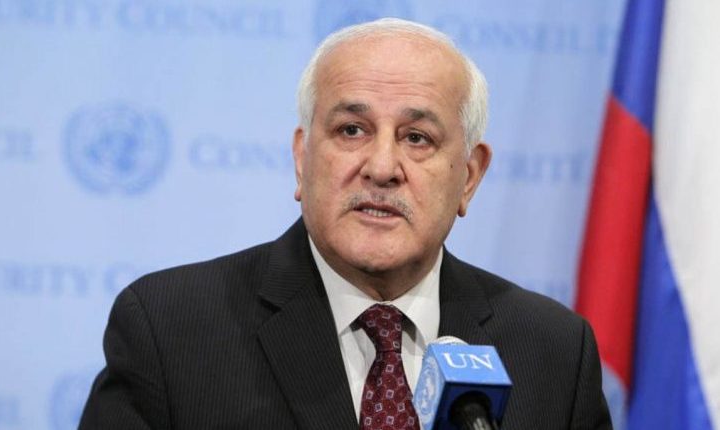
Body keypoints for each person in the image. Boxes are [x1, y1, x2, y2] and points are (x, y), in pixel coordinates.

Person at [79, 18, 611, 430]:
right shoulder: (170, 330)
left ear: (469, 177)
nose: (381, 167)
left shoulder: (553, 352)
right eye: (352, 130)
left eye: (417, 138)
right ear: (302, 159)